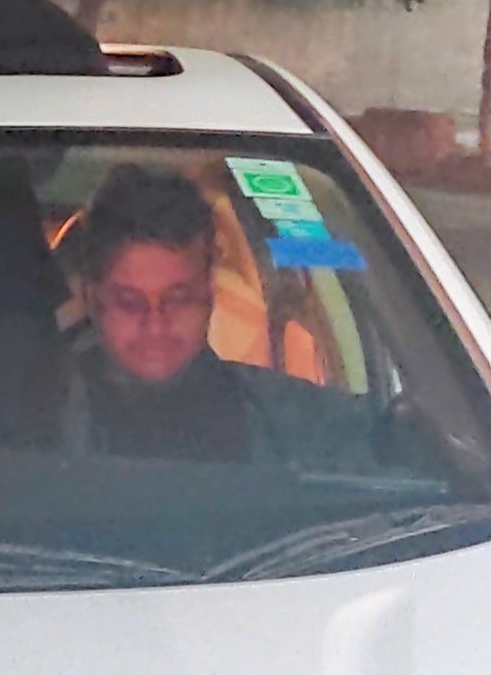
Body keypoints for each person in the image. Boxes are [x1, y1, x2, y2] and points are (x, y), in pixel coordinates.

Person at [65, 164, 354, 464]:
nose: (155, 326)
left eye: (178, 300)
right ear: (92, 297)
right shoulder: (34, 425)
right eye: (129, 303)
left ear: (209, 293)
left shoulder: (294, 425)